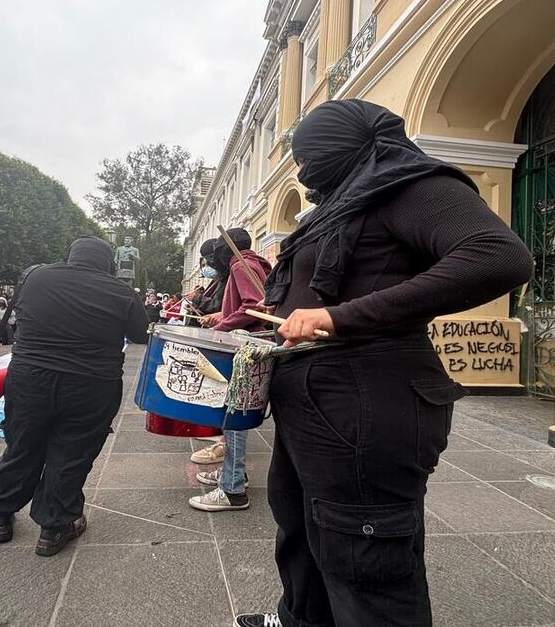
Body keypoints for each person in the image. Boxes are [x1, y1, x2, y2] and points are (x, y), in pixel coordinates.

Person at [234, 100, 533, 627]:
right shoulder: (343, 202)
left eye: (306, 158)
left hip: (364, 404)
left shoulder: (407, 185)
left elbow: (499, 256)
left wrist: (339, 317)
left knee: (365, 559)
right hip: (317, 405)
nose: (301, 173)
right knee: (304, 530)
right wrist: (265, 325)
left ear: (338, 147)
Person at [0, 237, 150, 555]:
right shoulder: (120, 291)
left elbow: (15, 315)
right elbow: (141, 333)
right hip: (91, 384)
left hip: (30, 379)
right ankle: (54, 528)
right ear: (108, 263)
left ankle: (0, 516)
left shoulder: (36, 276)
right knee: (71, 454)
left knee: (22, 445)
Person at [188, 228, 271, 513]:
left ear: (226, 249)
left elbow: (253, 306)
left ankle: (233, 487)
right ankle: (233, 473)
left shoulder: (240, 263)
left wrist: (222, 326)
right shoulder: (252, 262)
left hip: (242, 348)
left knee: (233, 415)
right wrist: (223, 316)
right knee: (234, 413)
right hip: (247, 346)